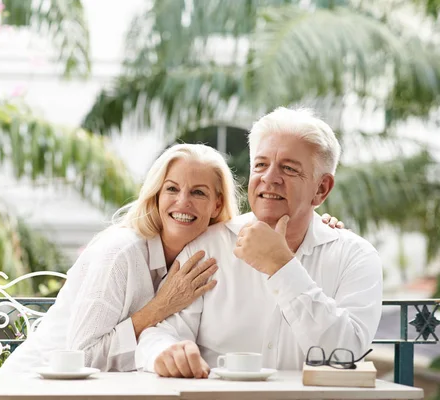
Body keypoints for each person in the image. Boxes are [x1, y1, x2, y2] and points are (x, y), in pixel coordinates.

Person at [135, 107, 383, 379]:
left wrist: (282, 267)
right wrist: (164, 352)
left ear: (321, 188)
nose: (269, 178)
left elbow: (346, 352)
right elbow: (159, 334)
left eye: (288, 169)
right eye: (261, 165)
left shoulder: (355, 256)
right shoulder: (207, 248)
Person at [0, 143, 240, 373]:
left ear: (217, 205)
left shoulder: (201, 264)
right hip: (32, 384)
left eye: (198, 192)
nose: (183, 201)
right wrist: (160, 306)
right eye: (172, 189)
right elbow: (82, 355)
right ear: (156, 195)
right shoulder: (121, 253)